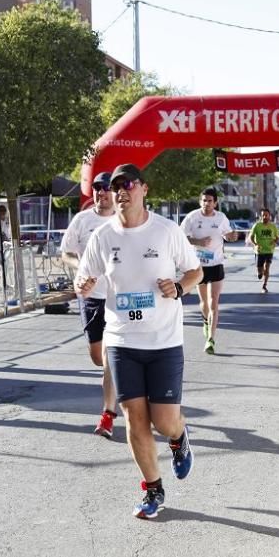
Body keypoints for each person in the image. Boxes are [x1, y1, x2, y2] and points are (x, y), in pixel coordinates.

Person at [76, 163, 203, 520]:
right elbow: (84, 277)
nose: (120, 191)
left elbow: (196, 270)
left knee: (163, 421)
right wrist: (83, 286)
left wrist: (179, 287)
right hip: (121, 340)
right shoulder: (103, 236)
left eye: (127, 184)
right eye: (115, 186)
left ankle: (178, 437)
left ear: (144, 189)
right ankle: (152, 489)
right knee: (135, 418)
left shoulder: (165, 231)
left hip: (163, 340)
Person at [60, 171, 118, 439]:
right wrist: (82, 268)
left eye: (106, 188)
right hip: (91, 297)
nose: (101, 192)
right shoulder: (82, 220)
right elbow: (66, 253)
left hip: (119, 299)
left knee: (109, 359)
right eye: (97, 188)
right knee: (97, 357)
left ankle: (107, 415)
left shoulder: (124, 220)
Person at [181, 187, 238, 354]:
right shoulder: (192, 217)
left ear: (215, 203)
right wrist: (197, 240)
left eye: (210, 201)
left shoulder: (221, 218)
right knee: (204, 302)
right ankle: (205, 321)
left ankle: (211, 339)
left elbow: (228, 234)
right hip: (199, 266)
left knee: (214, 301)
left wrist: (231, 237)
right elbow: (181, 236)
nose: (207, 203)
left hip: (217, 264)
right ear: (200, 201)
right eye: (204, 200)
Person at [248, 208, 279, 292]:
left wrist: (274, 242)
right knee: (260, 269)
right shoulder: (257, 225)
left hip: (269, 250)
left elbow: (277, 237)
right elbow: (251, 237)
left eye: (266, 215)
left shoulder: (273, 226)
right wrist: (255, 244)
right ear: (260, 216)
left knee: (267, 267)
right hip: (259, 251)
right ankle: (260, 273)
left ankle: (264, 286)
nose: (265, 217)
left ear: (269, 216)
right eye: (263, 215)